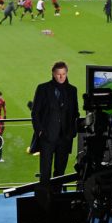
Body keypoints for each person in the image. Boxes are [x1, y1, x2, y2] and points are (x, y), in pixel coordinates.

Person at [31, 61, 79, 209]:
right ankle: (43, 203)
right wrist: (40, 132)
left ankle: (56, 201)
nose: (61, 77)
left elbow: (75, 113)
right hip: (47, 138)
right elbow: (35, 113)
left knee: (60, 171)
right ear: (53, 74)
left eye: (63, 74)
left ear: (66, 73)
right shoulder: (43, 88)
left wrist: (72, 132)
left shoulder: (72, 90)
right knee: (45, 172)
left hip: (65, 138)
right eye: (58, 74)